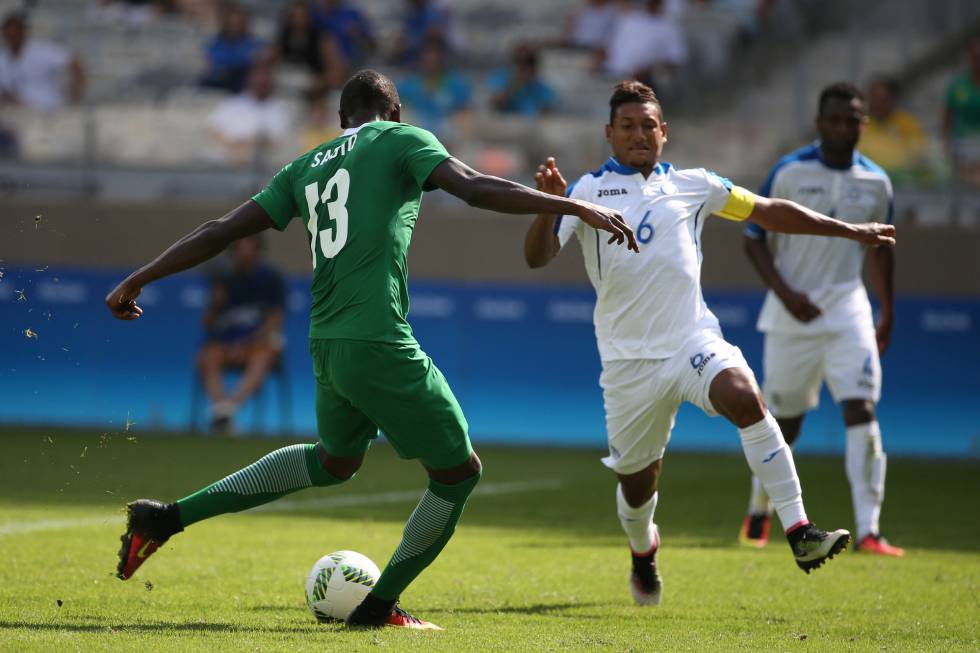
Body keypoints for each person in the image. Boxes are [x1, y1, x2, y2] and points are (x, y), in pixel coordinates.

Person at [106, 69, 637, 630]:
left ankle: (165, 519)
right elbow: (474, 186)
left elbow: (219, 230)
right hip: (377, 339)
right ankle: (378, 608)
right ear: (396, 113)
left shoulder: (304, 165)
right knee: (459, 473)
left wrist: (137, 279)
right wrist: (573, 207)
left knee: (334, 462)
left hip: (326, 344)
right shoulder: (402, 139)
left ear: (341, 120)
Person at [524, 80, 896, 605]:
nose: (638, 135)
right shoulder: (585, 191)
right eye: (627, 126)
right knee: (637, 485)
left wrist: (849, 231)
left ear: (664, 131)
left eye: (647, 125)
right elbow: (536, 257)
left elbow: (768, 211)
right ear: (609, 133)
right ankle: (643, 548)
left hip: (691, 342)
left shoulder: (696, 185)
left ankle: (799, 530)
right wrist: (549, 204)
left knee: (745, 396)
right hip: (629, 364)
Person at [738, 83, 904, 557]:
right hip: (792, 316)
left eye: (852, 120)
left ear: (863, 124)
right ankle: (759, 510)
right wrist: (787, 294)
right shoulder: (789, 171)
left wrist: (887, 310)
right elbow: (753, 238)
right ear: (819, 122)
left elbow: (882, 249)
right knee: (783, 425)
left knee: (861, 408)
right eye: (835, 119)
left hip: (849, 311)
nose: (843, 128)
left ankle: (870, 530)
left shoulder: (877, 182)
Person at [197, 234, 285, 433]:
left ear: (258, 250)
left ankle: (228, 410)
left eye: (249, 247)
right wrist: (216, 303)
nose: (244, 252)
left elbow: (275, 321)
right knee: (208, 354)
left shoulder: (271, 278)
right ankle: (222, 412)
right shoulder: (223, 279)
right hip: (226, 343)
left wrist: (245, 344)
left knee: (266, 352)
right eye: (240, 248)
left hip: (256, 343)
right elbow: (207, 325)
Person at [0, 11, 85, 112]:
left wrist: (75, 95)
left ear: (23, 32)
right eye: (9, 35)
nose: (12, 39)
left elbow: (74, 63)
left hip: (47, 108)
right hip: (19, 112)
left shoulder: (41, 51)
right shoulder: (3, 58)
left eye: (15, 34)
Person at [207, 63, 291, 166]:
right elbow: (213, 131)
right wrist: (233, 148)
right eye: (257, 79)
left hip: (264, 163)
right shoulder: (231, 104)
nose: (260, 83)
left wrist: (251, 146)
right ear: (250, 80)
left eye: (264, 81)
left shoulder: (280, 110)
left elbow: (279, 140)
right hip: (228, 160)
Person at [397, 36, 471, 139]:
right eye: (428, 55)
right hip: (416, 130)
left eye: (437, 56)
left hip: (447, 130)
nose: (432, 60)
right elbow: (398, 105)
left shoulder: (456, 83)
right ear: (422, 57)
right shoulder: (409, 82)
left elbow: (464, 108)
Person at [861, 75, 928, 186]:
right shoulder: (861, 123)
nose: (877, 104)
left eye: (882, 99)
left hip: (903, 184)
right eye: (873, 98)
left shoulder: (907, 123)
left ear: (893, 99)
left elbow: (920, 156)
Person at [199, 3, 264, 94]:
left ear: (244, 23)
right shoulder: (215, 43)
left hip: (242, 85)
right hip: (218, 83)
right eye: (231, 22)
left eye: (238, 22)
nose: (234, 26)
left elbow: (254, 61)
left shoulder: (254, 43)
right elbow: (213, 61)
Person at [942, 37, 980, 188]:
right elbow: (948, 117)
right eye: (975, 58)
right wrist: (946, 145)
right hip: (961, 145)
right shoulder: (959, 86)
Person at [488, 45, 556, 118]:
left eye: (528, 62)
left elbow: (549, 113)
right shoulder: (500, 79)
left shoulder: (541, 88)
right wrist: (516, 84)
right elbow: (495, 106)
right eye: (518, 62)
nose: (523, 67)